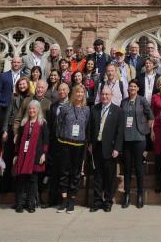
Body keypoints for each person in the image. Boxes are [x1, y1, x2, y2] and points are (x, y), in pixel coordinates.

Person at [88, 86, 124, 212]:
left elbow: (120, 132)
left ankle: (108, 201)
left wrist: (117, 149)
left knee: (109, 177)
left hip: (110, 149)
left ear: (111, 95)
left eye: (107, 94)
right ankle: (97, 201)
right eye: (103, 94)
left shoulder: (118, 111)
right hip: (97, 147)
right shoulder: (95, 109)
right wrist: (90, 144)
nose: (104, 96)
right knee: (97, 177)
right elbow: (91, 128)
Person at [55, 84, 90, 213]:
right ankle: (64, 200)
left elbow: (86, 126)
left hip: (79, 145)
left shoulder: (87, 110)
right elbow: (58, 124)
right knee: (64, 172)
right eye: (77, 92)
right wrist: (60, 137)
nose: (79, 94)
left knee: (75, 173)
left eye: (81, 92)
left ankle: (71, 200)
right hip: (65, 144)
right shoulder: (65, 108)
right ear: (73, 93)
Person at [120, 79, 154, 208]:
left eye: (134, 86)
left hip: (139, 138)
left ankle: (140, 194)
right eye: (130, 86)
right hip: (126, 138)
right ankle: (127, 195)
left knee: (139, 168)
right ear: (128, 89)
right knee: (127, 168)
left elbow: (150, 116)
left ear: (138, 88)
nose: (132, 88)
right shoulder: (124, 102)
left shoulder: (142, 100)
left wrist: (147, 130)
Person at [14, 100, 49, 213]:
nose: (32, 111)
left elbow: (46, 140)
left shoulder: (42, 123)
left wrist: (44, 153)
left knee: (33, 180)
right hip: (23, 155)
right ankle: (19, 204)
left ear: (38, 110)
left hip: (36, 155)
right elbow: (19, 141)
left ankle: (31, 204)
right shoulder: (24, 123)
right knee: (21, 180)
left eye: (34, 109)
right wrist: (15, 155)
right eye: (30, 109)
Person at [2, 76, 31, 191]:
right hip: (11, 128)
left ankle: (17, 186)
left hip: (24, 130)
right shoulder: (14, 97)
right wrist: (4, 130)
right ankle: (5, 185)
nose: (22, 86)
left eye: (24, 84)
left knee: (20, 157)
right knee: (8, 157)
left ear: (28, 85)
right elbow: (8, 113)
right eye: (20, 84)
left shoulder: (31, 98)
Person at [46, 82, 70, 207]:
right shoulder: (54, 106)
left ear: (68, 91)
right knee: (54, 172)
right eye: (60, 90)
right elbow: (50, 124)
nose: (61, 92)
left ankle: (64, 199)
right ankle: (52, 199)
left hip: (67, 143)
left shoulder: (72, 106)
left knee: (64, 172)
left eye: (64, 90)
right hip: (55, 143)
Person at [0, 56, 22, 142]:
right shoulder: (3, 76)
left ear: (21, 64)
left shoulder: (24, 76)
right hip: (3, 107)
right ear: (11, 63)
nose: (16, 64)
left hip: (17, 108)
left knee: (14, 131)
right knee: (0, 131)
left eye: (18, 62)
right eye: (14, 62)